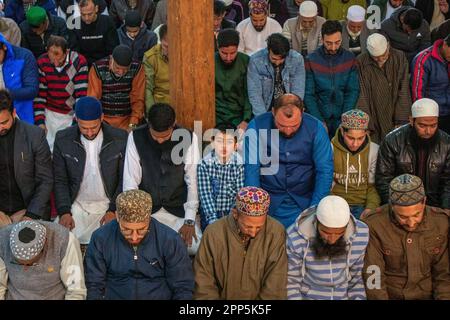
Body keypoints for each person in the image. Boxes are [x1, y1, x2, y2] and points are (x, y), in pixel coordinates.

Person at [85, 189, 194, 300]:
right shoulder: (101, 239)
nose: (134, 237)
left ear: (149, 218)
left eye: (141, 230)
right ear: (117, 217)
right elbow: (94, 286)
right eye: (127, 230)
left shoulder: (170, 240)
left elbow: (182, 287)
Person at [123, 103, 202, 255]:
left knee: (194, 246)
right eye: (155, 136)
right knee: (142, 246)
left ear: (174, 124)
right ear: (148, 123)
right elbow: (130, 183)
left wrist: (189, 220)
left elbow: (193, 182)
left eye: (165, 136)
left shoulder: (189, 138)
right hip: (147, 212)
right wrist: (136, 218)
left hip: (178, 211)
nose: (159, 141)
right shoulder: (135, 137)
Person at [244, 93, 333, 228]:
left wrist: (314, 210)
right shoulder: (256, 126)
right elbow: (251, 170)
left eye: (295, 125)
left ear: (303, 112)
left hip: (305, 201)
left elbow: (325, 171)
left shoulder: (316, 128)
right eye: (282, 125)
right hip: (267, 202)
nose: (288, 130)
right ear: (273, 112)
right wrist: (256, 208)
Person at [53, 97, 127, 255]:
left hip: (108, 205)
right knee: (62, 242)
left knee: (115, 245)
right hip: (77, 205)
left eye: (93, 127)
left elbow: (124, 179)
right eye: (84, 128)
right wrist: (64, 211)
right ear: (76, 120)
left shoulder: (120, 138)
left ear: (101, 117)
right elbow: (60, 180)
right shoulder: (62, 139)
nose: (89, 132)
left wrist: (113, 210)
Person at [362, 174, 450, 300]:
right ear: (391, 206)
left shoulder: (441, 223)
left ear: (424, 201)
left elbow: (444, 275)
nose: (411, 223)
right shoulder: (374, 225)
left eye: (416, 215)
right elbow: (373, 277)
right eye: (403, 217)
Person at [194, 186, 287, 299]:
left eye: (259, 227)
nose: (253, 233)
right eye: (248, 227)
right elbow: (204, 283)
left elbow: (275, 285)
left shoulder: (276, 232)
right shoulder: (213, 233)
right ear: (235, 214)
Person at [287, 195, 369, 300]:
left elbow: (356, 279)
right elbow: (291, 282)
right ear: (316, 223)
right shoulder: (294, 237)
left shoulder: (360, 234)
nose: (332, 239)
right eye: (325, 232)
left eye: (339, 233)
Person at [376, 98, 450, 209]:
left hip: (435, 206)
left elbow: (447, 183)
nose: (428, 131)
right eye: (422, 126)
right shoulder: (392, 141)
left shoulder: (446, 143)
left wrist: (446, 210)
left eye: (433, 125)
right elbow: (383, 180)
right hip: (401, 205)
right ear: (411, 120)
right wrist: (398, 208)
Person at [0, 89, 53, 227]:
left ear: (14, 113)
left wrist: (30, 214)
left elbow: (45, 180)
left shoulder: (34, 136)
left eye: (4, 122)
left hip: (27, 210)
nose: (0, 128)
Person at [0, 220, 86, 299]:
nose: (25, 269)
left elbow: (75, 289)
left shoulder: (65, 240)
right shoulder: (2, 239)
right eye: (18, 263)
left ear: (45, 244)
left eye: (30, 264)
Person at [304, 20, 360, 138]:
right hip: (319, 116)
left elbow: (352, 91)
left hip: (342, 116)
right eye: (329, 43)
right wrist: (318, 120)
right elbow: (309, 94)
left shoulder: (350, 59)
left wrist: (345, 119)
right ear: (322, 39)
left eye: (337, 42)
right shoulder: (311, 60)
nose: (333, 47)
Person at [34, 35, 88, 152]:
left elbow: (81, 96)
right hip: (50, 113)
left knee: (66, 150)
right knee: (45, 150)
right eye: (51, 58)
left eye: (59, 57)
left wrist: (75, 124)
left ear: (66, 51)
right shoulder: (42, 62)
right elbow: (40, 96)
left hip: (70, 114)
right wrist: (40, 121)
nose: (55, 62)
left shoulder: (79, 62)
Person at [357, 33, 411, 143]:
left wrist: (401, 120)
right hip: (373, 112)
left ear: (388, 46)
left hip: (394, 109)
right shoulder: (361, 61)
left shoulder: (399, 57)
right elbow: (361, 94)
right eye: (376, 57)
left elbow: (404, 88)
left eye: (383, 55)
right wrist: (365, 125)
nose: (380, 59)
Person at [330, 110, 380, 219]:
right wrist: (334, 206)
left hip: (363, 205)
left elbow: (373, 186)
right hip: (336, 203)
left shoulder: (374, 150)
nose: (355, 143)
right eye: (351, 138)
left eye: (360, 138)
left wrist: (370, 207)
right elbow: (325, 185)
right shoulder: (330, 149)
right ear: (342, 131)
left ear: (366, 133)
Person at [88, 44, 145, 131]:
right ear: (112, 59)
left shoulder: (137, 68)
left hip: (127, 119)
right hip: (103, 119)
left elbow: (138, 99)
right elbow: (93, 99)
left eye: (126, 69)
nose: (121, 72)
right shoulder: (97, 68)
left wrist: (133, 124)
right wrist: (97, 122)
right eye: (117, 68)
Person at [198, 125, 243, 231]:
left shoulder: (239, 163)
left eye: (229, 142)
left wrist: (232, 218)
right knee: (213, 240)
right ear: (212, 143)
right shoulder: (204, 163)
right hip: (210, 212)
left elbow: (239, 192)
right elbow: (205, 195)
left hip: (232, 212)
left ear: (235, 145)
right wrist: (213, 221)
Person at [247, 33, 305, 116]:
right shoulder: (255, 61)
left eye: (281, 59)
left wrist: (291, 114)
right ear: (268, 50)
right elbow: (255, 94)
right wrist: (263, 119)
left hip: (288, 108)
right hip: (265, 109)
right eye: (274, 59)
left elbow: (298, 91)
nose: (277, 63)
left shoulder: (297, 59)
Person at [411, 35, 450, 135]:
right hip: (432, 116)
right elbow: (417, 91)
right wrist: (422, 115)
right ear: (445, 44)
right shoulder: (423, 59)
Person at [215, 28, 252, 129]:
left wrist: (246, 119)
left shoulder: (246, 61)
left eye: (232, 53)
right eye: (224, 53)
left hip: (239, 117)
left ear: (237, 48)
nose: (228, 58)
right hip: (215, 116)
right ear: (218, 48)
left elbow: (249, 93)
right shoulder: (210, 61)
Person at [0, 33, 38, 124]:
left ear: (4, 47)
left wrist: (4, 93)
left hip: (21, 117)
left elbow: (32, 90)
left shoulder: (24, 56)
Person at [68, 0, 119, 66]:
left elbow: (112, 49)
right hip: (82, 63)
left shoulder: (107, 22)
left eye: (90, 14)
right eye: (83, 14)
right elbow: (74, 51)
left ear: (96, 9)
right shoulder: (74, 23)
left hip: (104, 62)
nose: (86, 18)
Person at [143, 23, 169, 113]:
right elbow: (148, 88)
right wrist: (152, 112)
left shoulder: (187, 56)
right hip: (161, 104)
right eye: (166, 46)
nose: (170, 50)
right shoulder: (151, 57)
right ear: (161, 41)